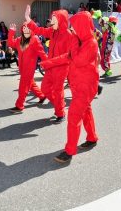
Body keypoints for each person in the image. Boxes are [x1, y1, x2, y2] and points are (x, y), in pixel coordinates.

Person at [41, 11, 99, 163]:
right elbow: (67, 57)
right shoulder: (80, 41)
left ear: (82, 27)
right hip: (78, 86)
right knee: (86, 112)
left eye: (75, 27)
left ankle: (69, 150)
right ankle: (92, 137)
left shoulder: (90, 43)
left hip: (85, 88)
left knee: (73, 117)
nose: (72, 30)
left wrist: (73, 40)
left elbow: (78, 60)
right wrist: (48, 63)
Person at [25, 5, 72, 124]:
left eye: (54, 20)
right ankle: (59, 104)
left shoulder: (68, 35)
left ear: (61, 20)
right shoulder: (53, 31)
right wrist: (28, 19)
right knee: (45, 89)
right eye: (52, 19)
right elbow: (40, 30)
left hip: (61, 67)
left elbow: (68, 56)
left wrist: (50, 62)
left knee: (57, 90)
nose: (51, 22)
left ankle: (60, 113)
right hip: (51, 67)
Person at [7, 23, 47, 113]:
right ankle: (42, 96)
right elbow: (10, 43)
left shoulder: (35, 39)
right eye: (24, 28)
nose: (25, 30)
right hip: (22, 67)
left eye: (28, 28)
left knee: (23, 86)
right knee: (31, 84)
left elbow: (42, 53)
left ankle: (19, 106)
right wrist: (11, 32)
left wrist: (48, 64)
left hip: (29, 69)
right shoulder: (20, 39)